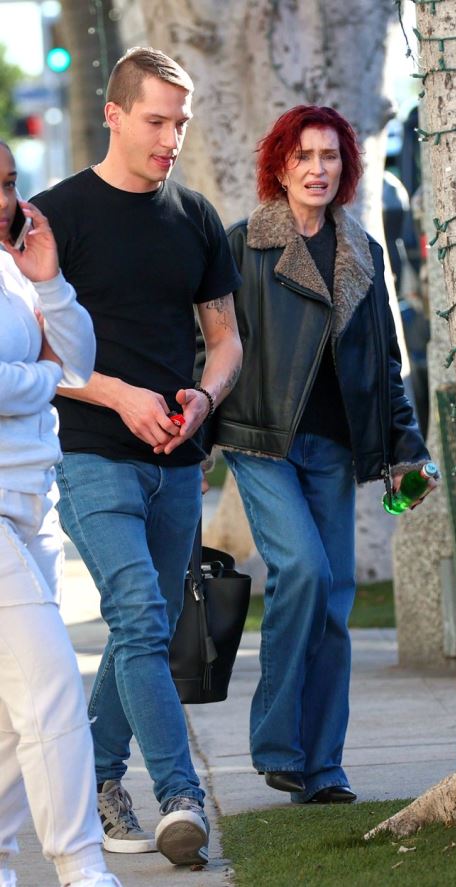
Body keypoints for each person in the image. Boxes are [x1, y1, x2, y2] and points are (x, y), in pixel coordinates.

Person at [32, 47, 242, 867]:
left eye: (180, 122)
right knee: (140, 615)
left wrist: (204, 399)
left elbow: (224, 340)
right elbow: (35, 353)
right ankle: (182, 798)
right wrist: (120, 395)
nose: (171, 138)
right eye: (156, 120)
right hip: (90, 452)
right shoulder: (56, 217)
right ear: (114, 114)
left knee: (138, 628)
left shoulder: (195, 217)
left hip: (178, 463)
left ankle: (96, 776)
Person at [212, 106, 437, 804]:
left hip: (335, 447)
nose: (318, 168)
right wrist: (193, 427)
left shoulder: (361, 250)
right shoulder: (244, 245)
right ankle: (279, 745)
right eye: (304, 156)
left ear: (346, 167)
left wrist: (407, 449)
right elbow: (210, 343)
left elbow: (385, 365)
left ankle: (323, 766)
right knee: (304, 571)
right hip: (260, 439)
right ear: (280, 167)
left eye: (330, 156)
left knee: (335, 600)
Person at [0, 142, 121, 887]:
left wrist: (48, 280)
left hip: (31, 494)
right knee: (51, 683)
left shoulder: (17, 268)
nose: (4, 201)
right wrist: (42, 375)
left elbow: (76, 360)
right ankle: (83, 866)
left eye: (9, 183)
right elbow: (48, 376)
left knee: (11, 712)